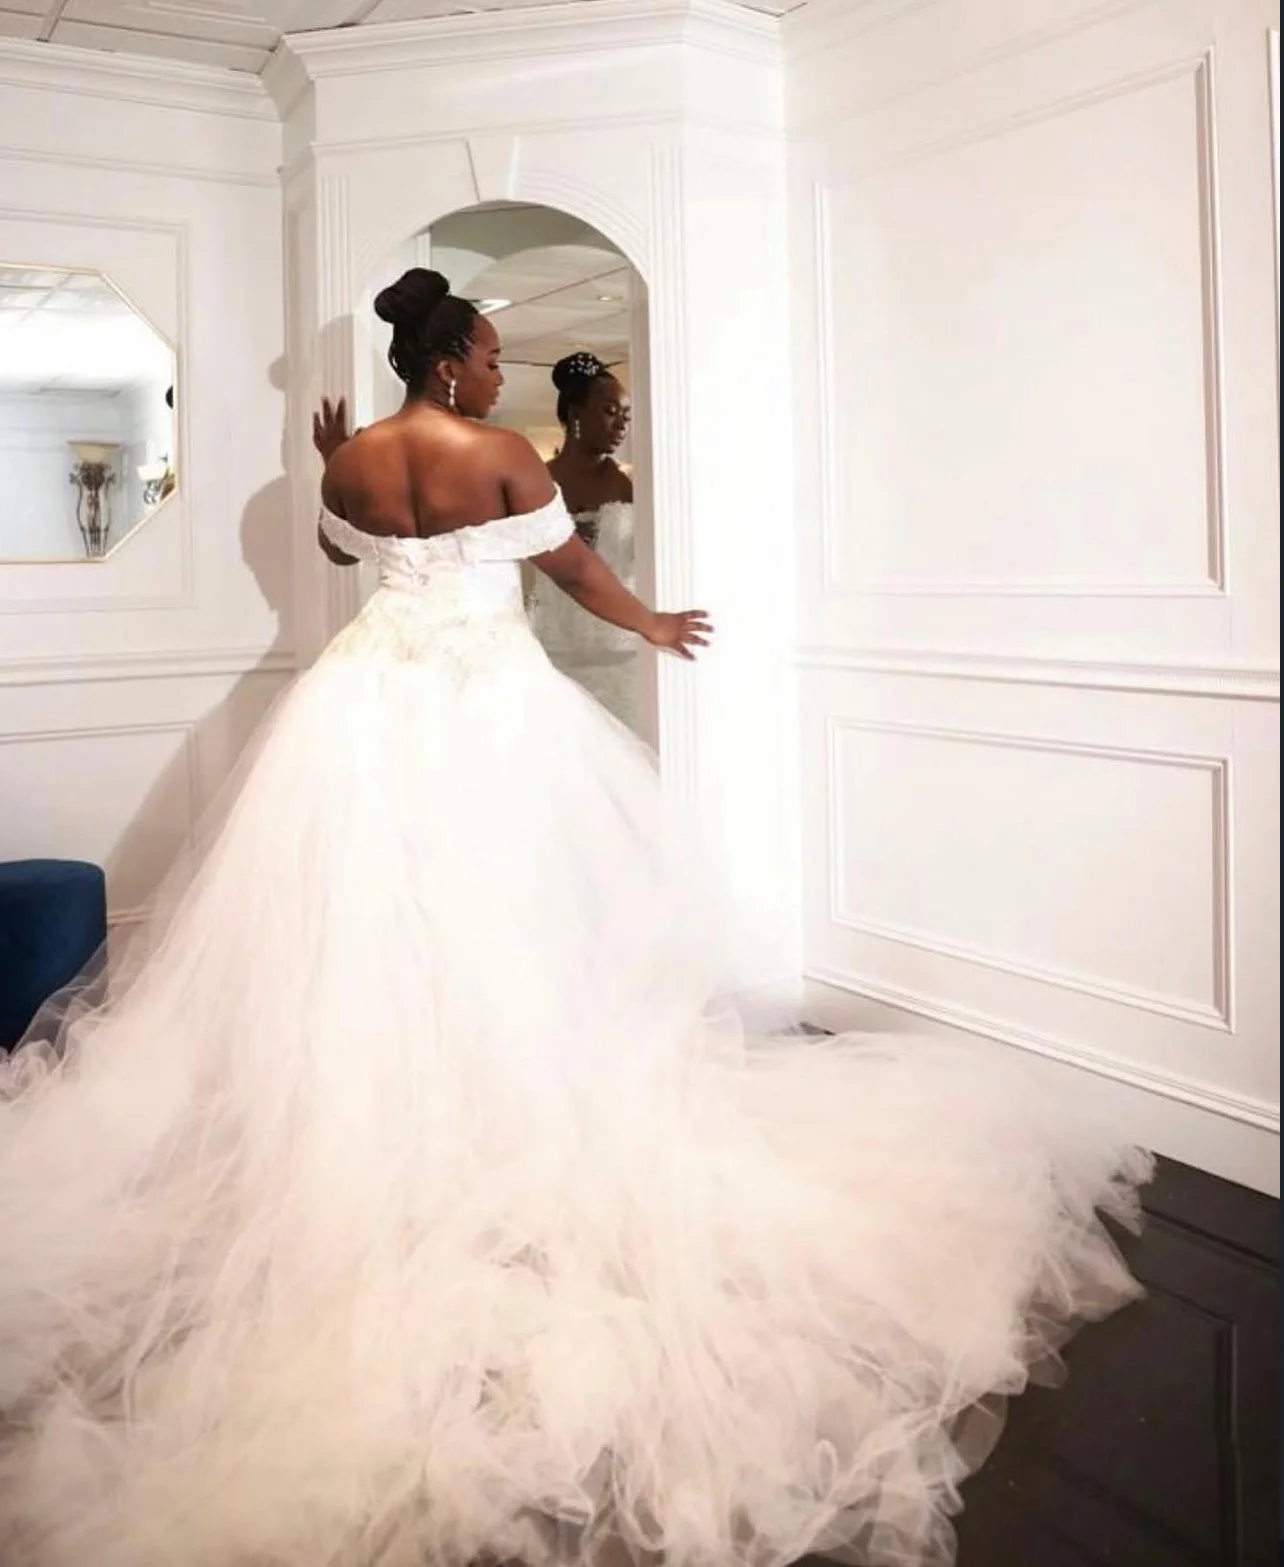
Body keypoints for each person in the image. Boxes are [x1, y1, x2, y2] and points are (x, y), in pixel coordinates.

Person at [0, 267, 1150, 1567]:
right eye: (491, 355)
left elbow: (342, 548)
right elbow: (572, 563)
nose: (503, 374)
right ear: (448, 363)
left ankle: (411, 1132)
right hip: (484, 711)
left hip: (365, 709)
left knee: (377, 935)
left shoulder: (353, 459)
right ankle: (509, 1132)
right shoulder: (494, 453)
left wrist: (328, 460)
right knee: (516, 924)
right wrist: (652, 622)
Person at [526, 352, 641, 733]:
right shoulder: (535, 483)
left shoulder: (633, 486)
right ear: (576, 413)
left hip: (619, 649)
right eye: (610, 411)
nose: (621, 423)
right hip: (550, 647)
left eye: (626, 415)